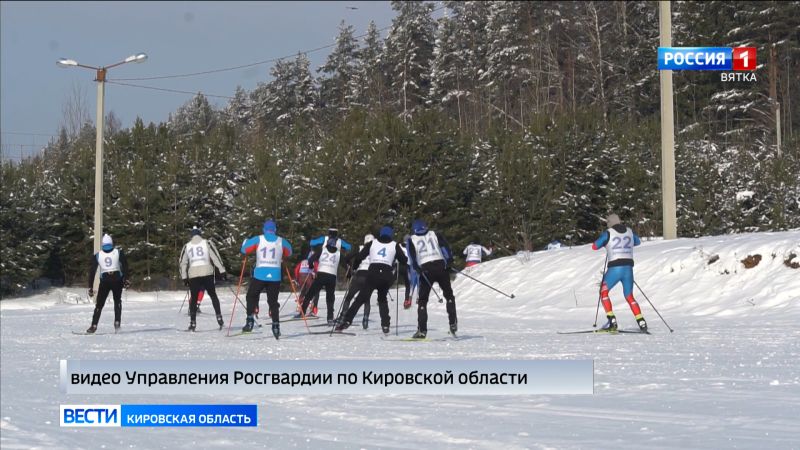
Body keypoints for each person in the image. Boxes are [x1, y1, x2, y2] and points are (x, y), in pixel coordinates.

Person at [336, 225, 408, 335]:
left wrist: (355, 267)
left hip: (373, 273)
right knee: (382, 300)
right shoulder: (394, 245)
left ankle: (346, 320)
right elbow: (404, 260)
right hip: (386, 274)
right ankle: (385, 325)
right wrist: (397, 259)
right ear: (391, 234)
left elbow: (360, 256)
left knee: (360, 298)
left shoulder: (372, 243)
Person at [592, 214, 647, 332]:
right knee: (629, 296)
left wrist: (606, 244)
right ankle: (641, 321)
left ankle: (612, 321)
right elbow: (637, 242)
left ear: (609, 223)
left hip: (615, 269)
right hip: (628, 268)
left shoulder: (608, 232)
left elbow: (594, 246)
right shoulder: (629, 231)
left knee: (603, 292)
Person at [240, 219, 293, 338]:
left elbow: (244, 250)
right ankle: (275, 325)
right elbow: (289, 252)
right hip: (275, 275)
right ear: (275, 230)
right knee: (273, 301)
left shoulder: (259, 239)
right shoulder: (281, 241)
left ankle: (249, 321)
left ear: (264, 229)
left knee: (251, 296)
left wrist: (245, 243)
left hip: (260, 274)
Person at [406, 219, 457, 339]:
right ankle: (453, 322)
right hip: (440, 265)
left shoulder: (411, 239)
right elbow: (445, 246)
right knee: (449, 295)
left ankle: (422, 330)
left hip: (426, 269)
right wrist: (449, 261)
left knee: (423, 300)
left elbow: (412, 256)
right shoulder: (435, 234)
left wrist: (416, 268)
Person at [179, 226, 227, 331]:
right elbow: (215, 257)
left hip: (194, 274)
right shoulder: (207, 243)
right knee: (213, 295)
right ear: (200, 235)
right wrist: (222, 270)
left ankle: (193, 323)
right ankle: (219, 317)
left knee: (194, 299)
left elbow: (183, 263)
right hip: (207, 272)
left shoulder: (187, 246)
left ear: (191, 236)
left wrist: (184, 277)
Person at [86, 234, 130, 334]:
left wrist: (90, 286)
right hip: (117, 280)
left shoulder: (98, 255)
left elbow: (92, 271)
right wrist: (126, 279)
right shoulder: (118, 252)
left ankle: (94, 325)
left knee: (99, 305)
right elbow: (125, 266)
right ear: (111, 243)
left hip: (105, 281)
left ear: (103, 244)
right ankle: (117, 323)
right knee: (117, 302)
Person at [298, 235, 345, 325]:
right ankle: (330, 318)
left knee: (310, 294)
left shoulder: (322, 250)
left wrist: (311, 267)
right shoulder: (338, 253)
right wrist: (349, 272)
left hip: (321, 275)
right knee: (330, 298)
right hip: (332, 277)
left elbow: (310, 260)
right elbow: (345, 264)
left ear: (327, 244)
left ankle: (302, 312)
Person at [337, 234, 374, 329]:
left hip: (359, 275)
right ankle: (365, 319)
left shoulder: (359, 248)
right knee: (366, 299)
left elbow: (347, 258)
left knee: (349, 297)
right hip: (369, 277)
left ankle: (342, 317)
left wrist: (351, 267)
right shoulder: (375, 249)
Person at [293, 243, 319, 315]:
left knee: (303, 291)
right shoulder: (315, 261)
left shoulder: (302, 261)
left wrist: (296, 278)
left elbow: (296, 270)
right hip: (309, 277)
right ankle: (310, 307)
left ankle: (300, 305)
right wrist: (315, 274)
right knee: (310, 292)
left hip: (301, 276)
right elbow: (316, 269)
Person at [401, 235, 418, 310]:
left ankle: (408, 300)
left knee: (412, 284)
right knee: (416, 282)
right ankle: (416, 298)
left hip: (411, 265)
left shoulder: (404, 245)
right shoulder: (410, 244)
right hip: (413, 265)